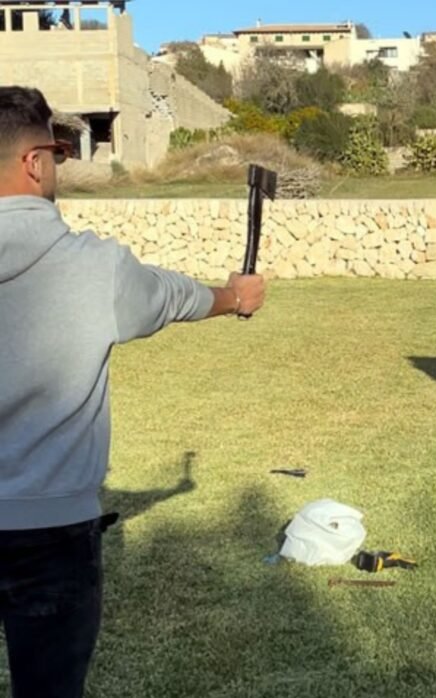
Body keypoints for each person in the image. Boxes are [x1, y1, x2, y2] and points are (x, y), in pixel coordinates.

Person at [0, 86, 266, 697]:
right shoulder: (96, 269)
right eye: (59, 152)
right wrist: (234, 299)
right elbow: (172, 296)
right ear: (35, 161)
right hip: (53, 536)